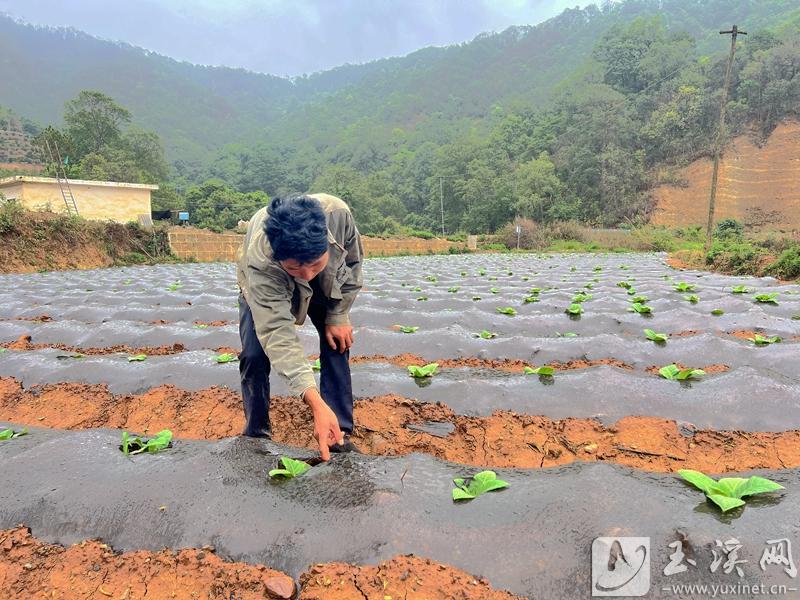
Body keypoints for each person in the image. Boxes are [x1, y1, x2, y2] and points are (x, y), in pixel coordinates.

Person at [236, 193, 363, 460]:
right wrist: (314, 401)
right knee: (254, 354)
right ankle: (256, 436)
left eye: (315, 264)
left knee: (337, 339)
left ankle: (338, 433)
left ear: (326, 246)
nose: (307, 275)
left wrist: (338, 316)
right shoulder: (262, 259)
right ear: (280, 257)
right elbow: (277, 333)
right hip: (265, 288)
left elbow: (352, 266)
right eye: (296, 269)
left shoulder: (338, 216)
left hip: (328, 282)